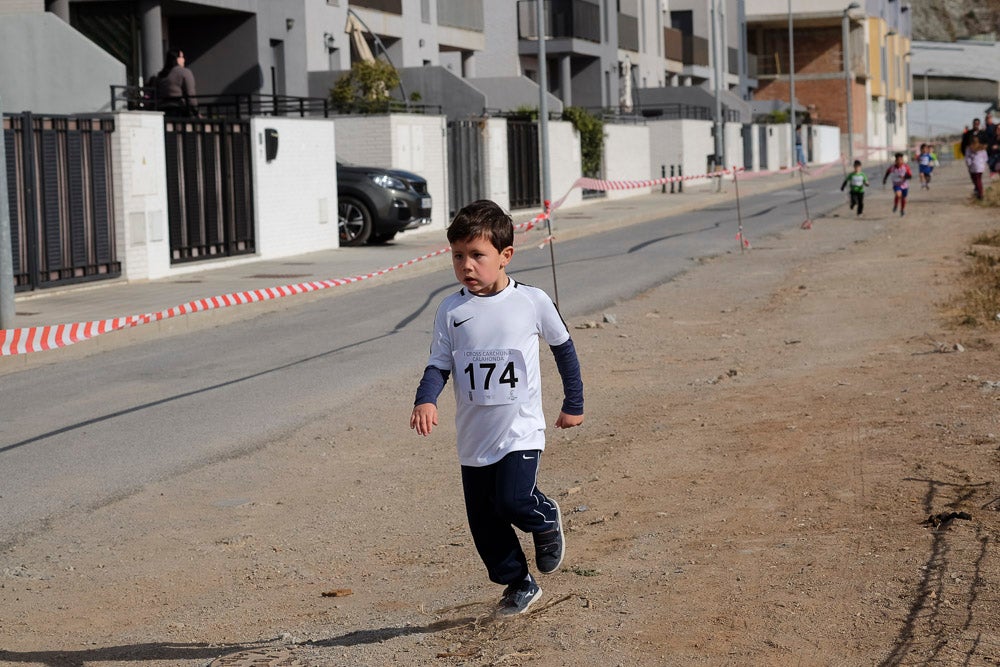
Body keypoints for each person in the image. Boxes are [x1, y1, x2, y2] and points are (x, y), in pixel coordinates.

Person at [409, 199, 584, 616]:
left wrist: (573, 402)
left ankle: (544, 517)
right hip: (475, 436)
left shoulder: (532, 301)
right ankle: (519, 583)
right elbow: (439, 364)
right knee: (484, 522)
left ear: (506, 255)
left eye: (477, 255)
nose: (466, 265)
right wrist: (425, 398)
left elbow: (563, 349)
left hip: (519, 429)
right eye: (458, 256)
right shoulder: (451, 310)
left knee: (512, 500)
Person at [155, 49, 198, 117]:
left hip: (162, 110)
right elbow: (191, 94)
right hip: (179, 110)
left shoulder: (160, 75)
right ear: (176, 59)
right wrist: (196, 111)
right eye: (182, 57)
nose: (183, 59)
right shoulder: (185, 72)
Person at [882, 152, 912, 216]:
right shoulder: (892, 167)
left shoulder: (906, 167)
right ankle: (896, 205)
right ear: (895, 160)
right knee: (898, 195)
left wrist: (904, 177)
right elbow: (887, 172)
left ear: (903, 160)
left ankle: (902, 210)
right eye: (898, 160)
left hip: (905, 185)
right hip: (896, 185)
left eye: (901, 160)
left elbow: (910, 176)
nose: (899, 161)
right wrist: (885, 179)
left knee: (903, 198)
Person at [965, 136, 988, 200]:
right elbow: (985, 157)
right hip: (981, 166)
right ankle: (979, 192)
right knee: (979, 179)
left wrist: (969, 164)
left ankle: (980, 193)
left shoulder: (969, 148)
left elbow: (967, 158)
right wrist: (983, 163)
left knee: (976, 180)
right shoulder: (982, 148)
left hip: (973, 166)